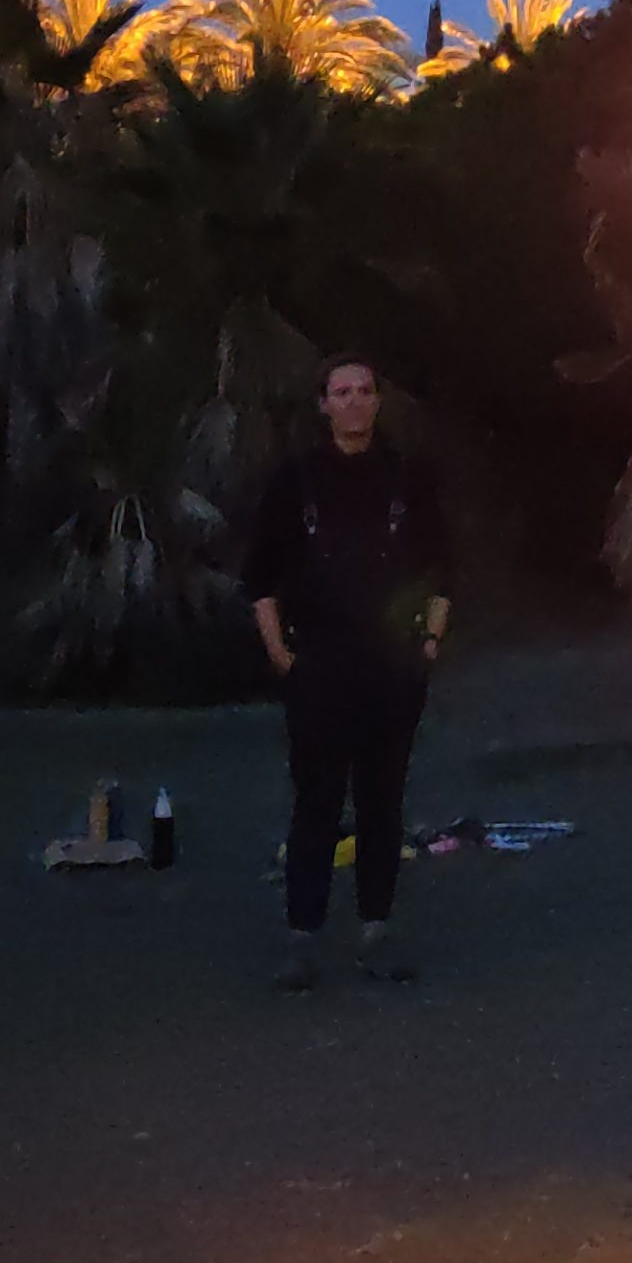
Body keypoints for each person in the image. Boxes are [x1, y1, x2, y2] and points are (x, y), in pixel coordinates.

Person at [245, 354, 453, 991]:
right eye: (343, 392)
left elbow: (441, 566)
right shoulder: (296, 480)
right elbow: (260, 578)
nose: (356, 402)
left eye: (365, 391)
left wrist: (429, 642)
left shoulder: (406, 477)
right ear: (323, 404)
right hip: (320, 666)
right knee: (316, 803)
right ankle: (301, 939)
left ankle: (376, 930)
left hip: (391, 666)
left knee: (382, 803)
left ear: (378, 402)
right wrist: (281, 654)